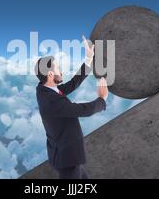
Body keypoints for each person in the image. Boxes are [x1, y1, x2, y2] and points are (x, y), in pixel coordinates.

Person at [34, 36, 108, 179]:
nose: (61, 71)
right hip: (66, 158)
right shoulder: (51, 100)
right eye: (58, 68)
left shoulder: (46, 89)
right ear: (50, 74)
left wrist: (89, 58)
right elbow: (83, 110)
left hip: (68, 154)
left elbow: (73, 83)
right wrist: (102, 99)